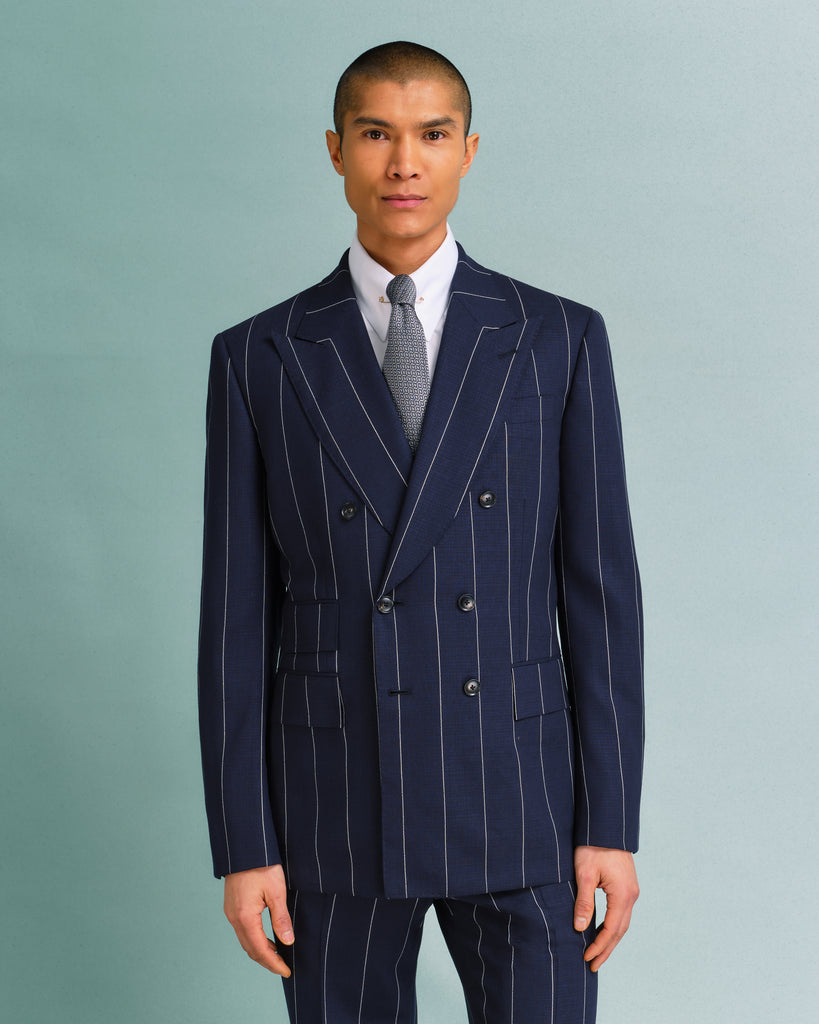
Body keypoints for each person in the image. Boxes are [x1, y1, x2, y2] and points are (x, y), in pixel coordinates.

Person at [198, 40, 644, 1024]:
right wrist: (244, 843)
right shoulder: (260, 355)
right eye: (376, 134)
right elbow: (233, 622)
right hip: (334, 804)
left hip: (522, 799)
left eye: (432, 134)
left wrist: (611, 822)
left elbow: (601, 599)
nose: (404, 163)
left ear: (468, 151)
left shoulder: (556, 338)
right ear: (335, 149)